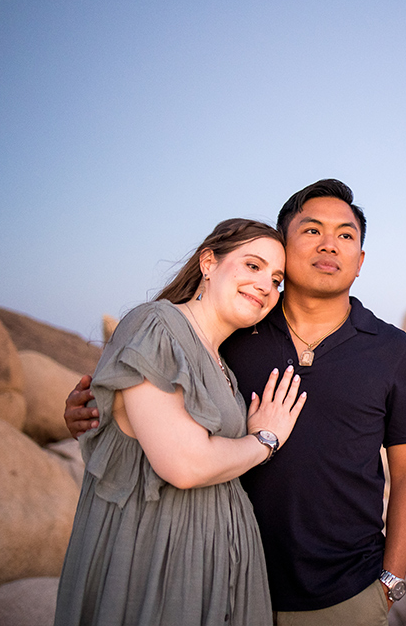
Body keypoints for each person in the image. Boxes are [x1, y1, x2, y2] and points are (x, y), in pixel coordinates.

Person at [66, 180, 406, 626]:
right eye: (312, 231)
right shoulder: (234, 332)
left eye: (346, 235)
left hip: (346, 594)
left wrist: (389, 583)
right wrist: (97, 411)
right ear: (286, 245)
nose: (330, 245)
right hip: (226, 584)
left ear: (360, 262)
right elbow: (158, 405)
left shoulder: (392, 350)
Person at [55, 218, 307, 626]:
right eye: (252, 266)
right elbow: (184, 465)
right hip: (159, 563)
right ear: (209, 262)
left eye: (277, 280)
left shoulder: (224, 364)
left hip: (210, 571)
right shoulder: (157, 325)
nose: (266, 286)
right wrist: (266, 439)